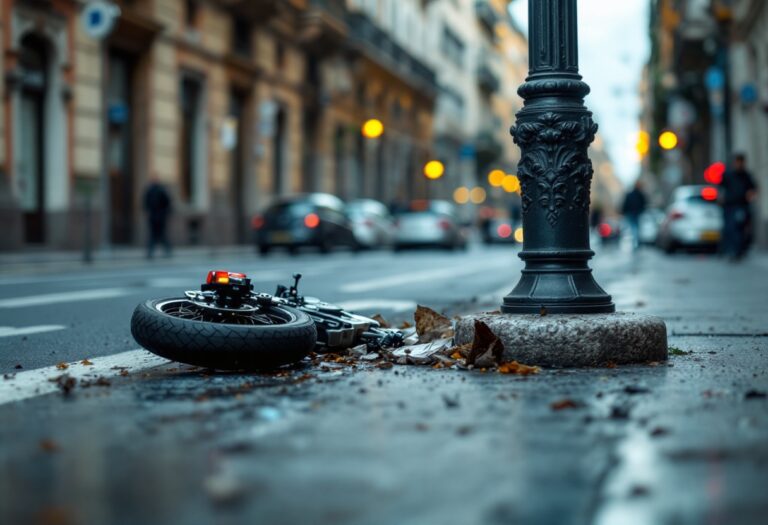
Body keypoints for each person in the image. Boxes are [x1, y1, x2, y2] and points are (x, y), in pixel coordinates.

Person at [719, 153, 757, 260]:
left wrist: (751, 195)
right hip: (729, 206)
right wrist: (721, 197)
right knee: (729, 228)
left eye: (741, 162)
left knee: (739, 228)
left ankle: (738, 250)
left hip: (741, 205)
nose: (739, 164)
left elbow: (753, 188)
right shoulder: (728, 174)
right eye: (737, 162)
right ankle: (730, 250)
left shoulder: (746, 175)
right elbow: (721, 187)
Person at [143, 175, 172, 259]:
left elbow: (167, 203)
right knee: (155, 235)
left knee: (159, 235)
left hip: (159, 217)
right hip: (155, 216)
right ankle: (151, 252)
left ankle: (164, 250)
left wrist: (163, 213)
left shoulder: (160, 191)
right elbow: (145, 203)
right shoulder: (151, 191)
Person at [621, 180, 647, 250]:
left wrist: (624, 211)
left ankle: (635, 241)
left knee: (633, 227)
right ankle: (636, 241)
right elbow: (644, 203)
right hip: (636, 213)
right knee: (636, 227)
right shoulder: (640, 194)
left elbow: (626, 204)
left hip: (632, 213)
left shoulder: (631, 194)